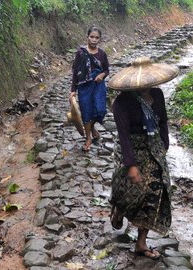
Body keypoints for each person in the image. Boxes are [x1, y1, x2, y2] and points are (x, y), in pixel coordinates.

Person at [108, 56, 179, 260]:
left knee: (155, 191)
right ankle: (119, 208)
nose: (147, 87)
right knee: (127, 192)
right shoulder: (122, 102)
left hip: (153, 147)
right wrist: (130, 164)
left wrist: (164, 145)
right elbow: (123, 135)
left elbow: (163, 121)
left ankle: (141, 242)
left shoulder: (157, 95)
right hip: (130, 147)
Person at [70, 26, 110, 151]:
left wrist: (102, 75)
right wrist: (73, 90)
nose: (94, 40)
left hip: (98, 85)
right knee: (86, 111)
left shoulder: (102, 54)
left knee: (100, 110)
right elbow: (76, 71)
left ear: (100, 39)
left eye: (97, 37)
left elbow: (107, 70)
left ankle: (92, 127)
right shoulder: (81, 53)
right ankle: (88, 138)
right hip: (84, 86)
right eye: (92, 37)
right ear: (87, 37)